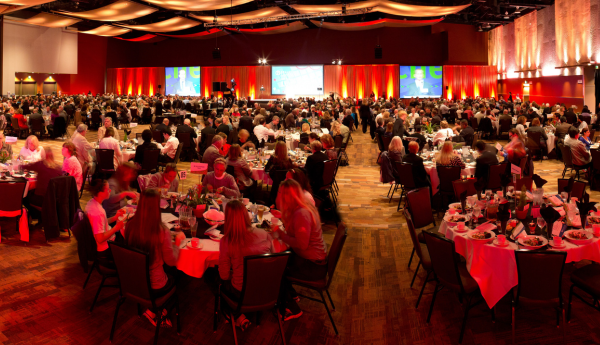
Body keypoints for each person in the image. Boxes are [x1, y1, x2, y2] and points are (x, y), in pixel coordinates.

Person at [124, 188, 185, 327]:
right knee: (179, 273)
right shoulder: (161, 230)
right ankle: (159, 310)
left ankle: (152, 310)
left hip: (134, 281)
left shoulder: (130, 225)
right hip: (156, 286)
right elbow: (171, 261)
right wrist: (177, 242)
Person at [272, 179, 327, 321]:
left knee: (275, 269)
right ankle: (291, 294)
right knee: (280, 260)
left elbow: (301, 244)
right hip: (314, 258)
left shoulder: (301, 213)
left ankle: (292, 308)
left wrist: (280, 234)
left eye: (280, 193)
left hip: (313, 265)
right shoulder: (301, 207)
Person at [218, 200, 274, 329]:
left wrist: (235, 270)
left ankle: (234, 314)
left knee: (212, 277)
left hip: (241, 293)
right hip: (265, 290)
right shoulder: (264, 234)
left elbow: (224, 275)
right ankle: (239, 315)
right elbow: (272, 261)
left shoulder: (226, 241)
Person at [86, 179, 126, 265]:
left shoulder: (91, 203)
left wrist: (115, 218)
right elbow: (100, 239)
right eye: (108, 189)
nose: (110, 191)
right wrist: (116, 228)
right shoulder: (98, 212)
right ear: (100, 192)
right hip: (105, 249)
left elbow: (100, 224)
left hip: (104, 243)